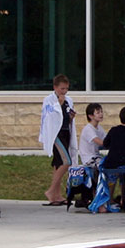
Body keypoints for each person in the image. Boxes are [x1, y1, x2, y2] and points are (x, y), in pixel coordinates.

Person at [39, 74, 76, 206]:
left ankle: (56, 195)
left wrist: (71, 116)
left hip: (66, 133)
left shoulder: (68, 100)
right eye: (62, 89)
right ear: (55, 87)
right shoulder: (49, 100)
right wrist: (58, 104)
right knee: (66, 162)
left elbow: (66, 117)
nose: (64, 92)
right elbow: (48, 118)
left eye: (66, 89)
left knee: (58, 164)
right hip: (56, 135)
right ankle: (50, 191)